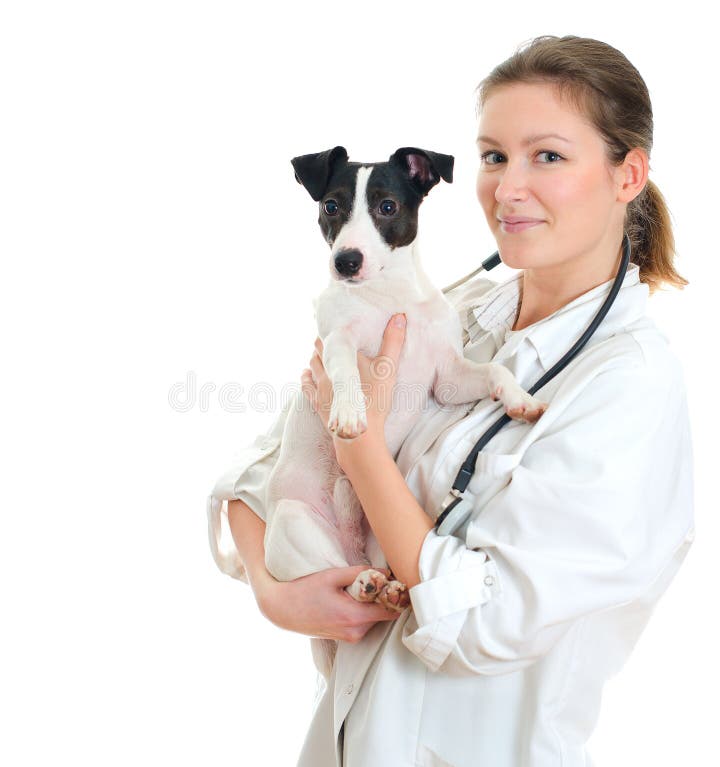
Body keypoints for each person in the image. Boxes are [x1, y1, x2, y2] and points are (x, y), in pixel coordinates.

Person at [206, 35, 694, 767]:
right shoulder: (452, 310)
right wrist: (277, 595)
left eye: (548, 156)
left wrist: (361, 449)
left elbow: (481, 626)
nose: (508, 187)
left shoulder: (631, 387)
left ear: (628, 175)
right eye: (495, 156)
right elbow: (256, 471)